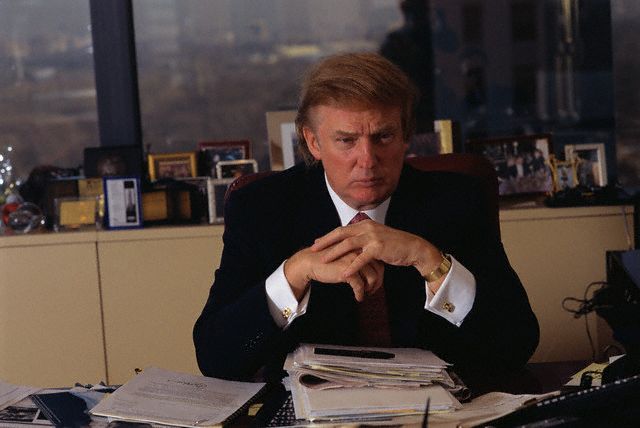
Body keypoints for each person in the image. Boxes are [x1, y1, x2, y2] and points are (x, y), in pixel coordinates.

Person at [193, 52, 539, 383]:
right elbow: (217, 360)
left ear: (406, 136)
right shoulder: (262, 207)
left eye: (383, 137)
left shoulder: (457, 200)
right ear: (313, 142)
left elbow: (515, 348)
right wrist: (294, 274)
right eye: (346, 140)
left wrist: (430, 261)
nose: (368, 159)